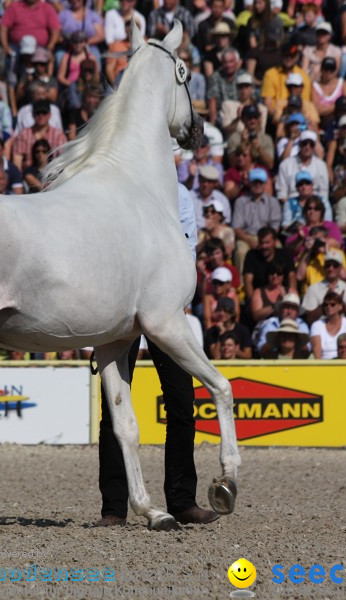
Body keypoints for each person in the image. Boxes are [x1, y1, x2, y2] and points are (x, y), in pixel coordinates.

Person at [96, 182, 219, 528]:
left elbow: (187, 249)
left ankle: (181, 500)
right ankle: (114, 506)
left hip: (164, 306)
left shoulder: (177, 193)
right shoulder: (121, 188)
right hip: (122, 307)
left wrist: (172, 299)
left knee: (182, 403)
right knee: (114, 406)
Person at [231, 168, 281, 271]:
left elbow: (275, 227)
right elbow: (236, 227)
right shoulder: (240, 202)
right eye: (255, 182)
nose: (258, 185)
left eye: (260, 182)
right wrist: (249, 240)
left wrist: (265, 241)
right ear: (249, 183)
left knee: (279, 248)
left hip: (267, 237)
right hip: (246, 237)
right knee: (241, 251)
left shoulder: (273, 202)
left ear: (265, 184)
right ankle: (242, 285)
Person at [310, 291, 346, 359]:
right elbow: (316, 351)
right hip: (324, 365)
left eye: (332, 304)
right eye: (325, 305)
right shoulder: (316, 325)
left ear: (340, 306)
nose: (328, 306)